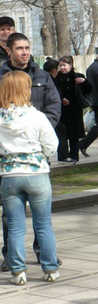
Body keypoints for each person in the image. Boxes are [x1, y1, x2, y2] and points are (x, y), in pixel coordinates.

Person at [0, 71, 60, 284]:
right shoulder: (37, 116)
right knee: (43, 224)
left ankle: (18, 271)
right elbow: (52, 145)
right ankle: (50, 268)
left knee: (15, 225)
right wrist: (41, 155)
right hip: (36, 174)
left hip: (9, 176)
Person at [0, 33, 61, 125]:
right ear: (9, 51)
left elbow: (53, 106)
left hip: (36, 134)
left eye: (27, 48)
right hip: (7, 134)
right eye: (19, 48)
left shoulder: (43, 76)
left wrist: (40, 130)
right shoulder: (2, 77)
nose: (25, 52)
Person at [55, 56, 90, 163]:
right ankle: (62, 156)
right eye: (60, 65)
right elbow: (53, 91)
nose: (62, 68)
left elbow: (89, 90)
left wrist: (84, 81)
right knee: (62, 134)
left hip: (75, 109)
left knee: (74, 135)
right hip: (62, 110)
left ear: (70, 65)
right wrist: (61, 99)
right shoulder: (57, 77)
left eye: (64, 65)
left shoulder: (77, 76)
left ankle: (74, 155)